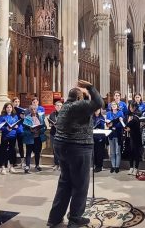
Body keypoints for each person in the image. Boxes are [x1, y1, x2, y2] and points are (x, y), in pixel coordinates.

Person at [47, 80, 103, 227]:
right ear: (79, 98)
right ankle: (75, 219)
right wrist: (90, 87)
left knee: (65, 182)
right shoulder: (79, 105)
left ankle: (54, 218)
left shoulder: (65, 106)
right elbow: (98, 102)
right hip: (78, 148)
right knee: (80, 184)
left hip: (61, 146)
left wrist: (83, 92)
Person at [22, 104, 47, 173]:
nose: (33, 110)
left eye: (34, 109)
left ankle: (37, 165)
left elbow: (44, 127)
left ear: (36, 110)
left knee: (37, 152)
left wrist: (40, 130)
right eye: (31, 109)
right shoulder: (27, 118)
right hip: (30, 138)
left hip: (38, 137)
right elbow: (24, 129)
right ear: (29, 110)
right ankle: (27, 166)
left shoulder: (40, 117)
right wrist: (30, 130)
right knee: (28, 152)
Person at [0, 103, 19, 174]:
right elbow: (0, 126)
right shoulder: (2, 116)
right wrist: (6, 128)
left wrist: (16, 127)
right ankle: (3, 167)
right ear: (5, 108)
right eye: (7, 107)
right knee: (3, 151)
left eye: (10, 107)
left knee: (12, 151)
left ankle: (12, 166)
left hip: (13, 135)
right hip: (5, 135)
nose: (9, 108)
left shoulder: (15, 116)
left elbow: (17, 124)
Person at [125, 102, 143, 175]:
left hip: (137, 136)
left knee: (136, 153)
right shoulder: (130, 115)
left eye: (131, 107)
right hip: (130, 136)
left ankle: (136, 168)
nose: (130, 108)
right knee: (131, 152)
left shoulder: (138, 114)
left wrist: (129, 127)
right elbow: (128, 124)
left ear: (135, 107)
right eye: (129, 107)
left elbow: (136, 124)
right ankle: (131, 167)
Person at [106, 101, 125, 173]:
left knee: (117, 151)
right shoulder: (108, 113)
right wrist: (109, 125)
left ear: (117, 106)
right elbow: (107, 124)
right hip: (111, 134)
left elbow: (122, 124)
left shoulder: (120, 113)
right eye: (112, 105)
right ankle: (113, 166)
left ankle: (117, 166)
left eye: (115, 105)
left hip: (118, 133)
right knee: (112, 151)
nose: (113, 106)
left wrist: (115, 124)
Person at [48, 101, 63, 170]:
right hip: (53, 133)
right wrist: (51, 124)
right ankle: (56, 164)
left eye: (60, 105)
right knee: (55, 150)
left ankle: (61, 164)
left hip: (61, 134)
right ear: (55, 106)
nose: (59, 107)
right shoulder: (52, 114)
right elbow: (50, 123)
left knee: (61, 150)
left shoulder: (64, 114)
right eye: (58, 105)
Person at [12, 97, 25, 167]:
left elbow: (24, 120)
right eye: (15, 101)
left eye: (18, 101)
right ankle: (13, 162)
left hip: (20, 130)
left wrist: (23, 117)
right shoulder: (11, 110)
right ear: (13, 102)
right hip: (13, 130)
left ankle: (22, 161)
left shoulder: (21, 110)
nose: (17, 103)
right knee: (12, 146)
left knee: (20, 146)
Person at [92, 108, 106, 172]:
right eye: (95, 109)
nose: (96, 111)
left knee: (99, 152)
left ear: (100, 110)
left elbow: (103, 127)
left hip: (100, 137)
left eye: (98, 109)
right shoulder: (91, 117)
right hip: (93, 137)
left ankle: (99, 166)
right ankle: (95, 165)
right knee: (94, 152)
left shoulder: (102, 118)